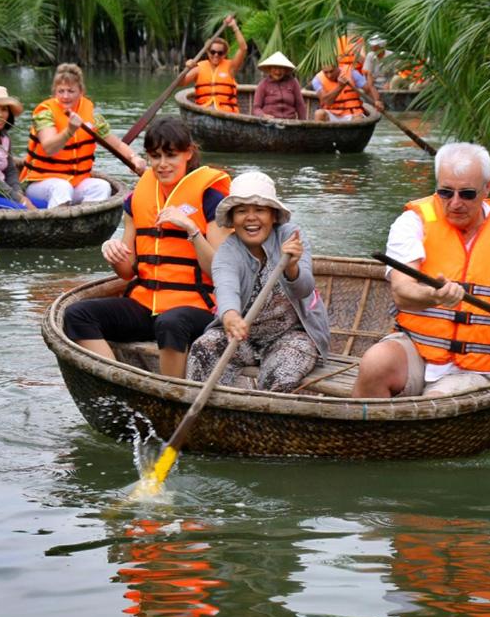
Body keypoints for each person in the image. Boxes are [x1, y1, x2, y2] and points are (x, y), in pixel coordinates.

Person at [351, 142, 490, 398]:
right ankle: (367, 436)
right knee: (374, 363)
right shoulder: (413, 221)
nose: (455, 203)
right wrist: (435, 297)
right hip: (417, 349)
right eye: (445, 192)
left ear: (487, 188)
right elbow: (402, 292)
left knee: (438, 402)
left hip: (476, 369)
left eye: (467, 194)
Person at [62, 117, 231, 378]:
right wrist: (113, 253)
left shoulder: (211, 197)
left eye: (170, 155)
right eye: (155, 156)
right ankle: (117, 383)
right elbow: (127, 272)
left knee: (170, 322)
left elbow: (220, 269)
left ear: (188, 153)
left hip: (198, 307)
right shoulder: (138, 198)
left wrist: (192, 230)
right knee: (76, 315)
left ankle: (170, 394)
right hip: (144, 305)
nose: (162, 164)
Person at [186, 171, 329, 392]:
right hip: (242, 337)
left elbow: (304, 289)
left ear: (273, 215)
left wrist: (291, 266)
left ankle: (266, 425)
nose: (251, 217)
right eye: (242, 211)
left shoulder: (291, 236)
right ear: (233, 219)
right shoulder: (227, 252)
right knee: (203, 348)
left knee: (281, 372)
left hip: (292, 335)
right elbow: (226, 289)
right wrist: (231, 317)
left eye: (260, 210)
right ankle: (212, 419)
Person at [20, 63, 145, 208]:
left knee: (102, 186)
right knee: (62, 187)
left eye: (71, 91)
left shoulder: (91, 116)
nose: (65, 96)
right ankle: (56, 225)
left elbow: (116, 144)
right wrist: (69, 131)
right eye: (61, 91)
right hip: (41, 183)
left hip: (75, 182)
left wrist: (134, 157)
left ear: (81, 92)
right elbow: (49, 148)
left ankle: (84, 222)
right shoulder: (45, 113)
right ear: (54, 92)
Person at [181, 15, 247, 113]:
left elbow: (243, 48)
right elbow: (181, 83)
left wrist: (234, 27)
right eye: (213, 52)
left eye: (220, 53)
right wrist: (185, 68)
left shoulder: (231, 67)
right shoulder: (199, 67)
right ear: (208, 52)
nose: (216, 55)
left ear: (224, 54)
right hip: (203, 110)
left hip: (226, 112)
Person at [312, 56, 383, 122]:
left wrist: (377, 100)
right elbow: (327, 102)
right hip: (332, 113)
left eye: (331, 71)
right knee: (319, 113)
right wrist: (340, 87)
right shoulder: (317, 79)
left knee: (358, 120)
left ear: (337, 67)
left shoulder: (351, 72)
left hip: (353, 113)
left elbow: (368, 89)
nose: (329, 75)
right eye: (326, 72)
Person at [251, 52, 307, 121]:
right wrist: (263, 116)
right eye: (275, 68)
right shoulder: (263, 84)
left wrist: (302, 124)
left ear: (285, 69)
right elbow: (256, 108)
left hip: (290, 123)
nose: (278, 72)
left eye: (281, 68)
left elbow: (300, 105)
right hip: (270, 123)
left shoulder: (293, 82)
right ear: (269, 69)